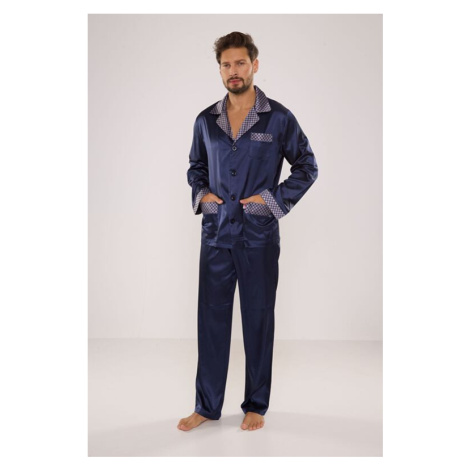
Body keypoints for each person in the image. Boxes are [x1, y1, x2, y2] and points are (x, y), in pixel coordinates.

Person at [178, 32, 318, 432]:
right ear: (220, 69)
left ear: (254, 65)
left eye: (240, 63)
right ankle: (207, 406)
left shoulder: (278, 118)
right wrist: (203, 196)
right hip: (216, 236)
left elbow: (307, 166)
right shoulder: (206, 121)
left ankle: (256, 404)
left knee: (258, 320)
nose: (233, 71)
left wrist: (270, 202)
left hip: (258, 238)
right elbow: (196, 167)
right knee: (211, 321)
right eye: (226, 65)